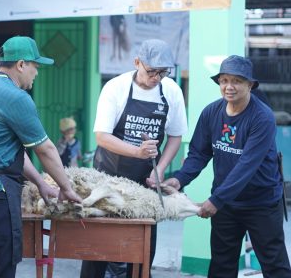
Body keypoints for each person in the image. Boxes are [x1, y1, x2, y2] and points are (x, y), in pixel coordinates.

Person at [0, 36, 82, 278]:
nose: (37, 73)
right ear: (21, 65)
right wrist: (66, 187)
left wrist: (40, 183)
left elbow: (11, 149)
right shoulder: (16, 97)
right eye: (36, 66)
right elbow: (45, 149)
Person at [163, 55, 291, 278]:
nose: (229, 87)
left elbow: (246, 166)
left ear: (250, 85)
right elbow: (199, 154)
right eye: (224, 81)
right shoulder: (211, 113)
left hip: (261, 203)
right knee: (222, 265)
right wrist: (180, 179)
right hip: (227, 204)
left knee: (275, 266)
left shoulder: (262, 117)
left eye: (237, 81)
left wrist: (215, 200)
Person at [80, 38, 188, 278]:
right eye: (152, 71)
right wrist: (136, 151)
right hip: (108, 179)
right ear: (137, 62)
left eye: (163, 72)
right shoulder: (115, 87)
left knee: (142, 249)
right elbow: (102, 137)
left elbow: (175, 137)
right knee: (98, 247)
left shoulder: (171, 91)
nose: (157, 77)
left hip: (145, 183)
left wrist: (160, 169)